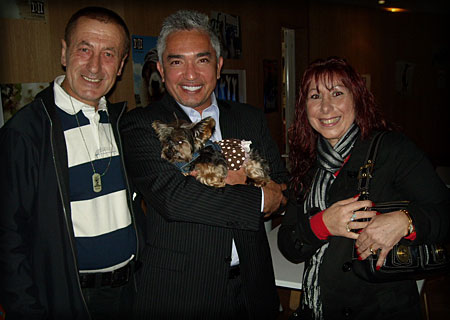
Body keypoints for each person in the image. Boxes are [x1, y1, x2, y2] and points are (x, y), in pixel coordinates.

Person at [120, 9, 288, 319]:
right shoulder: (142, 125)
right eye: (176, 62)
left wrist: (266, 190)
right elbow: (177, 199)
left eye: (202, 59)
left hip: (255, 287)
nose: (191, 75)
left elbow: (281, 181)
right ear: (160, 68)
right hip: (182, 291)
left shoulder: (248, 118)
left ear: (219, 64)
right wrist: (261, 195)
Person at [277, 56, 450, 319]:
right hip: (318, 308)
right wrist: (322, 224)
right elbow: (289, 245)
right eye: (315, 96)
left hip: (382, 309)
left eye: (337, 93)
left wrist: (405, 221)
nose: (325, 107)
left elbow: (445, 210)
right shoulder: (307, 163)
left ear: (356, 99)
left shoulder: (391, 150)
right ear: (304, 109)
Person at [0, 7, 140, 320]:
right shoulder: (27, 132)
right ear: (65, 53)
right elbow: (8, 236)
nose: (94, 65)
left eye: (108, 53)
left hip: (130, 293)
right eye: (84, 49)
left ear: (121, 65)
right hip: (67, 297)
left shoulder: (122, 126)